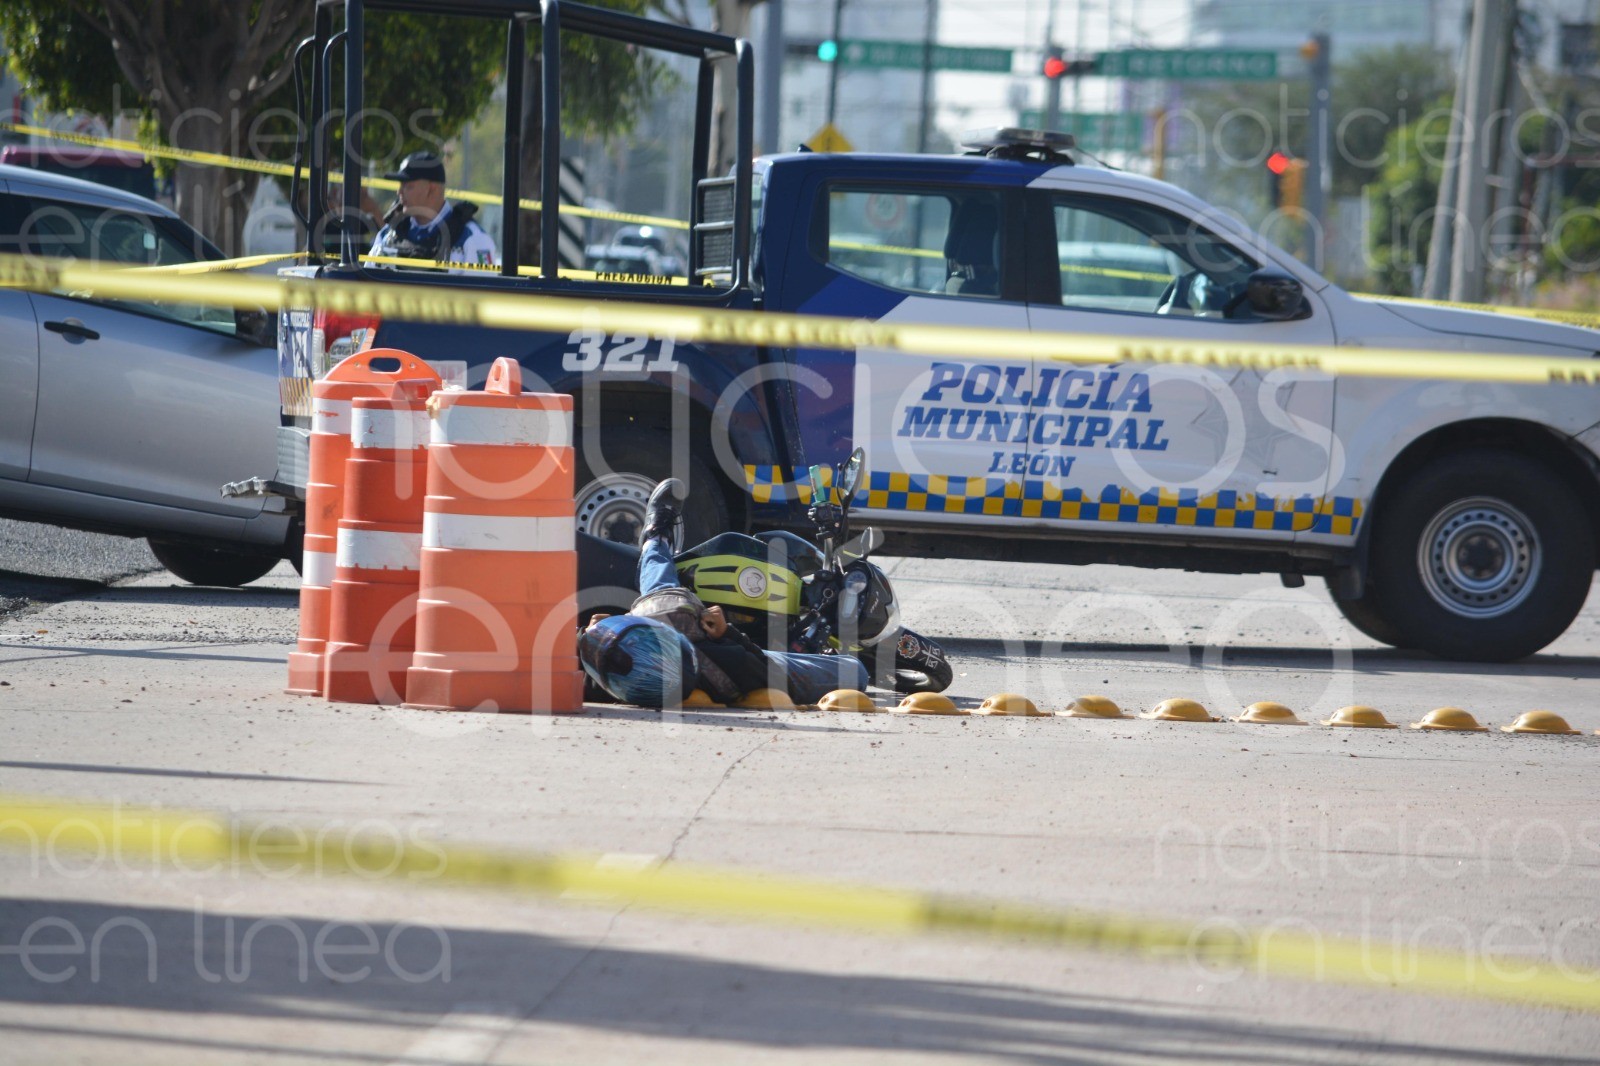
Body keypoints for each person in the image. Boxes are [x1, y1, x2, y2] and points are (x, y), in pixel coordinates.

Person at [578, 479, 869, 707]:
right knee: (856, 672)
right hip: (709, 647)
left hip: (657, 615)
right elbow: (759, 666)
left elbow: (585, 671)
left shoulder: (613, 681)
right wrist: (726, 633)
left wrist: (593, 635)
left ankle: (656, 534)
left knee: (661, 588)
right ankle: (656, 537)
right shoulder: (720, 666)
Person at [367, 151, 499, 270]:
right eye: (400, 185)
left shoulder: (471, 239)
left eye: (408, 185)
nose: (399, 191)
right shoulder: (389, 234)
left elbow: (484, 294)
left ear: (432, 189)